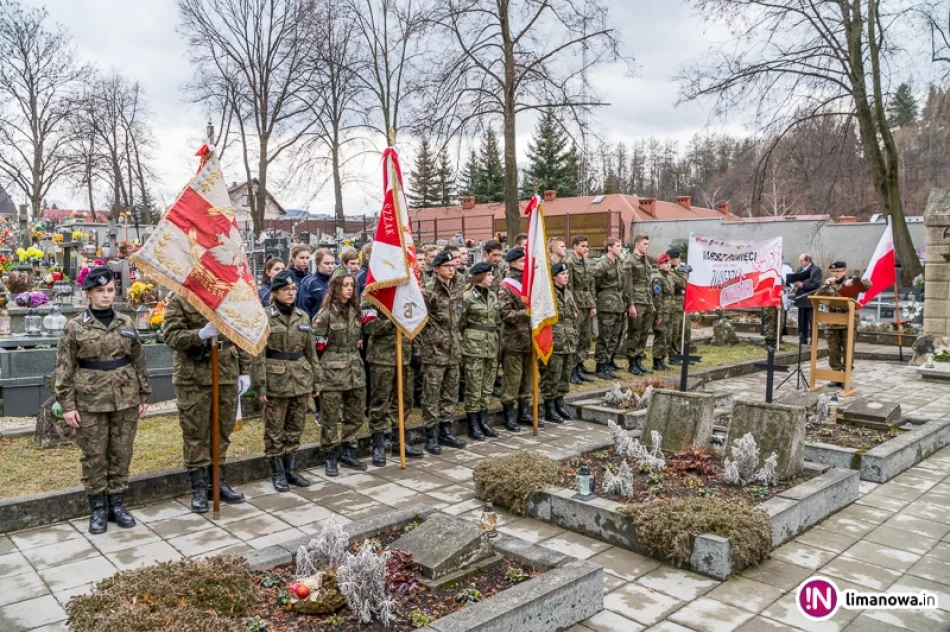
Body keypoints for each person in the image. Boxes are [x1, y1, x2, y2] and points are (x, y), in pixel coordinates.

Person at [54, 267, 150, 534]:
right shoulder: (74, 326)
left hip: (125, 398)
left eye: (110, 290)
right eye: (100, 291)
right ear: (89, 294)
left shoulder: (126, 323)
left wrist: (144, 394)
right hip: (90, 401)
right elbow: (64, 367)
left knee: (122, 453)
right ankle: (97, 509)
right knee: (95, 456)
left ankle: (117, 505)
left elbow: (139, 360)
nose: (106, 296)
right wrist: (67, 405)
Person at [164, 294, 251, 512]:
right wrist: (200, 334)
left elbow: (241, 335)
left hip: (226, 372)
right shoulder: (180, 299)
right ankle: (199, 489)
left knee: (222, 431)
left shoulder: (226, 296)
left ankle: (218, 483)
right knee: (196, 433)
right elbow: (171, 336)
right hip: (193, 376)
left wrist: (245, 371)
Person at [256, 271, 320, 492]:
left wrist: (316, 381)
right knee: (274, 430)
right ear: (275, 292)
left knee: (295, 426)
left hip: (300, 378)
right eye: (286, 290)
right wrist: (260, 385)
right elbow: (258, 354)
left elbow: (310, 352)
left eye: (293, 289)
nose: (291, 293)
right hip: (275, 380)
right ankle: (278, 472)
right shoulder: (265, 316)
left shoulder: (303, 316)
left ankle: (291, 470)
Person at [312, 274, 366, 475]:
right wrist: (317, 376)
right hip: (332, 370)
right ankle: (330, 454)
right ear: (336, 288)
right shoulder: (325, 314)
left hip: (354, 368)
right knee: (331, 415)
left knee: (356, 412)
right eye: (345, 285)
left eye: (352, 285)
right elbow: (316, 347)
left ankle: (349, 450)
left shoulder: (355, 311)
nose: (350, 289)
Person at [362, 295, 422, 465]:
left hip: (404, 357)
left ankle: (399, 441)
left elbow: (415, 326)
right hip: (382, 358)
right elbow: (368, 326)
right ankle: (378, 444)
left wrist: (416, 352)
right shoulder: (371, 296)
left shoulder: (406, 295)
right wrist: (394, 322)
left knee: (404, 401)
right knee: (379, 402)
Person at [419, 251, 468, 453]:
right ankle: (430, 434)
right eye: (447, 266)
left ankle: (446, 430)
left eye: (453, 266)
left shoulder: (457, 288)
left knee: (450, 393)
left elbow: (459, 319)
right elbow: (420, 324)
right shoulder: (427, 291)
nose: (451, 269)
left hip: (454, 350)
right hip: (434, 351)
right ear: (437, 268)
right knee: (431, 395)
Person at [458, 262, 502, 440]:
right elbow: (460, 323)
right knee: (473, 388)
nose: (492, 277)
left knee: (487, 387)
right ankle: (473, 424)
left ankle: (484, 421)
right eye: (489, 275)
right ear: (480, 276)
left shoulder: (492, 296)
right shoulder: (467, 297)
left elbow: (497, 321)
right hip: (473, 347)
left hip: (491, 346)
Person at [816, 262, 868, 387]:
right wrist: (825, 285)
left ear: (845, 271)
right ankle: (836, 376)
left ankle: (846, 377)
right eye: (833, 272)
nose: (835, 274)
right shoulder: (829, 284)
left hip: (848, 320)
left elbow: (867, 285)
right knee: (833, 351)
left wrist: (855, 280)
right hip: (832, 321)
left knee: (848, 350)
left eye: (838, 271)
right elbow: (817, 296)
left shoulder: (851, 282)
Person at [498, 247, 532, 431]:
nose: (525, 265)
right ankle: (509, 414)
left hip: (530, 339)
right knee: (513, 379)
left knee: (528, 379)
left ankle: (525, 411)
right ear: (512, 263)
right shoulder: (506, 286)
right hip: (514, 339)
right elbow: (505, 314)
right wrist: (525, 313)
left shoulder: (530, 283)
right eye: (522, 262)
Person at [541, 263, 578, 422]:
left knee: (565, 373)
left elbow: (573, 314)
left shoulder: (568, 292)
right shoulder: (548, 294)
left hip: (569, 339)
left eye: (567, 274)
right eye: (562, 274)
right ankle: (549, 407)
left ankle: (559, 403)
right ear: (554, 276)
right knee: (552, 374)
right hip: (555, 340)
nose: (566, 277)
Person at [623, 234, 655, 375]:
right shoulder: (630, 261)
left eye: (648, 244)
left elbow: (648, 284)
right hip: (636, 301)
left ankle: (639, 359)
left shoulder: (645, 261)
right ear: (637, 244)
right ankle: (632, 361)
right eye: (644, 244)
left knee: (644, 332)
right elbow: (627, 285)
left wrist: (652, 304)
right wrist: (630, 304)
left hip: (646, 300)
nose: (646, 246)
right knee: (635, 331)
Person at [593, 238, 625, 380]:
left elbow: (621, 284)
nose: (621, 248)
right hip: (606, 303)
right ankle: (600, 366)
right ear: (610, 248)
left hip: (617, 303)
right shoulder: (602, 265)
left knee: (614, 336)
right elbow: (595, 285)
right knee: (604, 336)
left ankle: (607, 363)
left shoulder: (618, 263)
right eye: (618, 246)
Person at [566, 235, 596, 384]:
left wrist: (593, 305)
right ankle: (571, 369)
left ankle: (579, 365)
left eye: (586, 246)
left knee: (585, 337)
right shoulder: (570, 263)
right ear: (575, 246)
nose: (586, 249)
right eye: (583, 246)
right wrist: (572, 306)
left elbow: (591, 285)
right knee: (575, 337)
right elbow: (568, 286)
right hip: (576, 301)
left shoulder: (586, 262)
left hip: (586, 302)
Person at [788, 253, 822, 346]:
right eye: (799, 260)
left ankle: (814, 341)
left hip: (811, 300)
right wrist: (795, 287)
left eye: (801, 260)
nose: (799, 262)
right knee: (802, 321)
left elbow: (816, 285)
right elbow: (796, 281)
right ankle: (803, 339)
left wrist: (803, 285)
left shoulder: (816, 270)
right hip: (800, 298)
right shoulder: (799, 269)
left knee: (812, 321)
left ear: (808, 261)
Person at [650, 253, 675, 370]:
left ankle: (662, 359)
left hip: (669, 311)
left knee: (667, 336)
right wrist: (658, 315)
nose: (668, 265)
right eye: (666, 263)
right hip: (662, 312)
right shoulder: (657, 279)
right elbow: (657, 298)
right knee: (660, 336)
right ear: (660, 264)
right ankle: (657, 360)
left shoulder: (669, 277)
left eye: (669, 263)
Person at [667, 249, 691, 364]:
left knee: (684, 330)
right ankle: (673, 355)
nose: (679, 260)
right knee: (674, 331)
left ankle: (682, 354)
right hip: (674, 304)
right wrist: (684, 274)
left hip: (681, 303)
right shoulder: (670, 272)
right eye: (677, 258)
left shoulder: (676, 271)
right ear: (671, 259)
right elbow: (682, 284)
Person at [297, 248, 335, 319]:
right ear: (318, 264)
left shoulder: (335, 282)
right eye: (326, 263)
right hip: (316, 325)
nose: (330, 266)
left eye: (332, 263)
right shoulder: (309, 283)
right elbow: (303, 309)